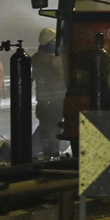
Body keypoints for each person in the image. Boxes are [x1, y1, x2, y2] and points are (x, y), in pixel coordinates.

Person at [31, 28, 67, 158]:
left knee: (45, 127)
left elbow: (29, 79)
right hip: (57, 101)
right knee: (55, 126)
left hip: (43, 101)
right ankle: (53, 150)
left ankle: (48, 151)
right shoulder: (58, 58)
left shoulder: (35, 58)